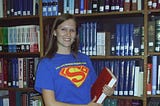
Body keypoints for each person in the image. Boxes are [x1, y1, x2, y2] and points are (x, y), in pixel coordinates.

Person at [34, 13, 115, 106]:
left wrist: (107, 91)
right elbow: (50, 103)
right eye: (63, 29)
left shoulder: (85, 59)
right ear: (55, 32)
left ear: (76, 34)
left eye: (72, 30)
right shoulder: (46, 64)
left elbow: (95, 89)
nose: (68, 34)